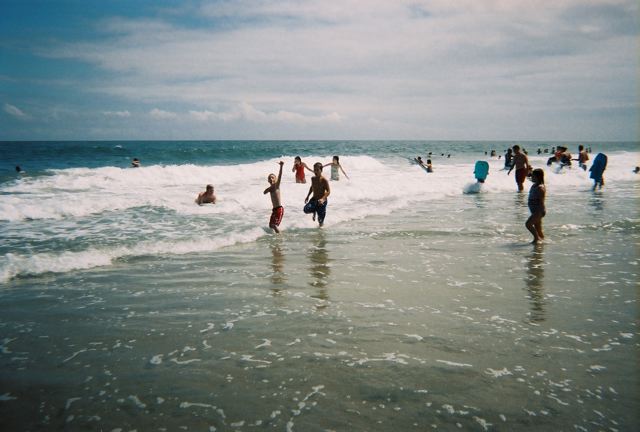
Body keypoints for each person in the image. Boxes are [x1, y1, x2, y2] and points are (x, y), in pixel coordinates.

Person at [304, 162, 331, 227]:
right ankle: (315, 211)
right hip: (314, 199)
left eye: (317, 170)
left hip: (322, 201)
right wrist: (308, 196)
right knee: (306, 209)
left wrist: (322, 199)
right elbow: (312, 187)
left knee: (320, 221)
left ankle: (320, 232)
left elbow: (328, 191)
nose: (315, 171)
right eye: (314, 170)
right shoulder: (313, 179)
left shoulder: (324, 180)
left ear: (321, 170)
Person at [264, 161, 285, 233]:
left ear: (276, 179)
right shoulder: (270, 188)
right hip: (274, 210)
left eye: (272, 177)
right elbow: (264, 192)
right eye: (269, 178)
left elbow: (280, 175)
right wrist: (268, 189)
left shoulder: (277, 186)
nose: (271, 179)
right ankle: (276, 234)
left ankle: (280, 236)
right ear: (268, 180)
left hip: (279, 209)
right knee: (270, 225)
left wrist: (281, 166)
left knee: (274, 225)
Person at [526, 168, 546, 244]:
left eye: (533, 176)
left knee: (528, 224)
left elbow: (541, 201)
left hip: (538, 211)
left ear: (538, 177)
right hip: (534, 210)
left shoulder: (540, 188)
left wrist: (540, 212)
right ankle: (542, 241)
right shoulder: (534, 185)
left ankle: (536, 238)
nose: (532, 177)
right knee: (538, 229)